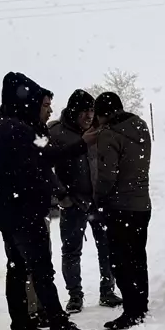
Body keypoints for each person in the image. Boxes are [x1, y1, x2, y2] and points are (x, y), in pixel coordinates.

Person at [0, 72, 97, 330]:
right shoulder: (17, 129)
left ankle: (21, 326)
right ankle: (60, 326)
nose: (49, 110)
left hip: (7, 212)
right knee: (41, 270)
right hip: (26, 212)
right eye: (44, 105)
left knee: (17, 269)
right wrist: (82, 144)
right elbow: (44, 159)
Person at [48, 89, 121, 313]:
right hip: (74, 202)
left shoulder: (101, 130)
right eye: (84, 111)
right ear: (73, 111)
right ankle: (75, 295)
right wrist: (62, 195)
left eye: (91, 110)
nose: (89, 115)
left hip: (99, 201)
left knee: (107, 247)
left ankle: (107, 290)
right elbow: (47, 168)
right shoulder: (57, 132)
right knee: (71, 251)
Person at [94, 91, 151, 330]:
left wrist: (98, 198)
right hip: (141, 204)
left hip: (120, 207)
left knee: (120, 260)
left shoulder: (109, 134)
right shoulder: (140, 126)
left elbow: (108, 176)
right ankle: (141, 304)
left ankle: (131, 310)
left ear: (102, 114)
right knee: (138, 256)